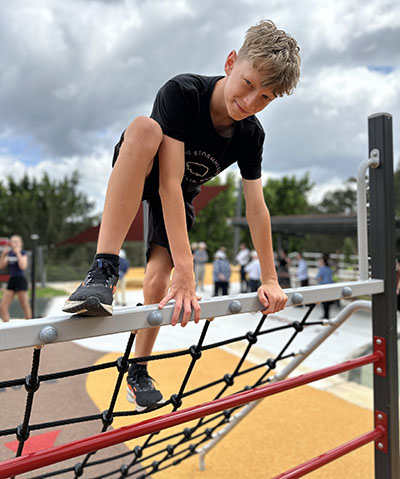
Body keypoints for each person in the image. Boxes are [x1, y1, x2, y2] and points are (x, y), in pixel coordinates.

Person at [63, 19, 299, 411]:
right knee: (143, 128)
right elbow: (167, 182)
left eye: (267, 97)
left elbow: (257, 208)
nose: (251, 101)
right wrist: (187, 270)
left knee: (158, 283)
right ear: (230, 63)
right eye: (249, 84)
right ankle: (102, 270)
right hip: (147, 167)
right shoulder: (183, 92)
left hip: (180, 191)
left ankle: (137, 369)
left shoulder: (250, 134)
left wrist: (271, 279)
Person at [0, 235, 32, 322]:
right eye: (12, 241)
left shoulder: (23, 253)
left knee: (24, 305)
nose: (13, 243)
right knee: (3, 306)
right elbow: (1, 266)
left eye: (16, 241)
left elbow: (23, 266)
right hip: (12, 280)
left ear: (20, 243)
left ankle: (29, 324)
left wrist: (18, 253)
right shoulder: (9, 254)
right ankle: (7, 326)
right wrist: (3, 254)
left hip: (20, 280)